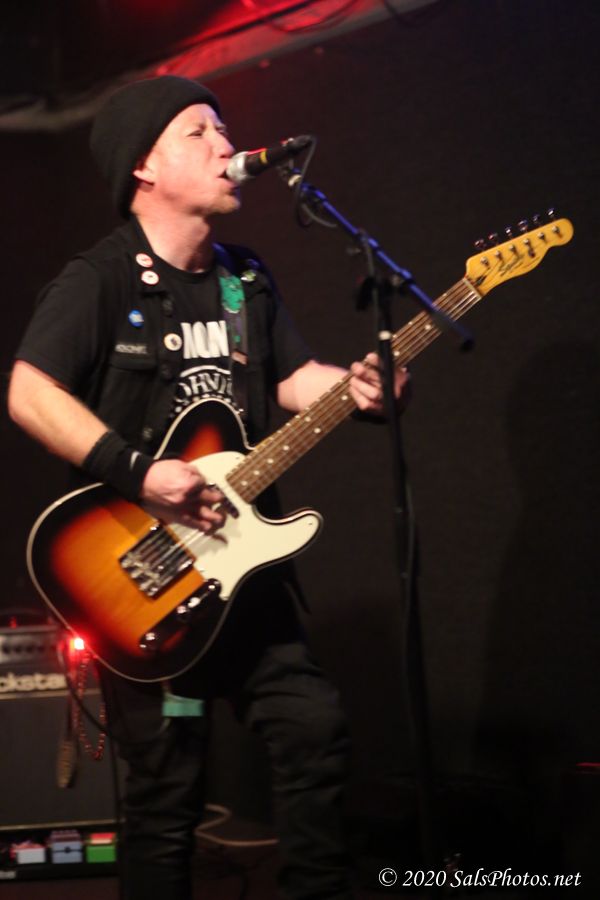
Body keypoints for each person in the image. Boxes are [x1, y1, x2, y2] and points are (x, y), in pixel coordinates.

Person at [8, 76, 409, 900]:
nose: (227, 145)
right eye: (200, 131)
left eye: (223, 129)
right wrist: (137, 471)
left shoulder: (243, 279)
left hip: (242, 568)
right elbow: (27, 390)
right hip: (141, 577)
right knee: (167, 799)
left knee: (314, 731)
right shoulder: (100, 279)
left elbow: (290, 378)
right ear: (144, 166)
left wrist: (359, 387)